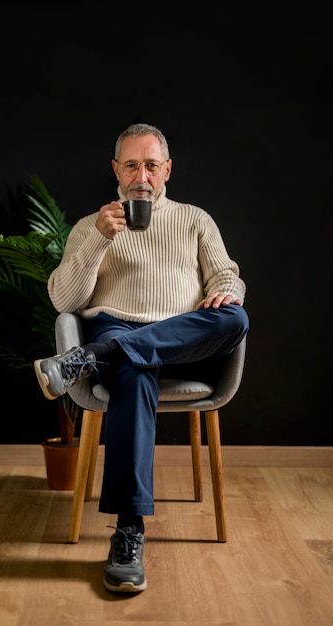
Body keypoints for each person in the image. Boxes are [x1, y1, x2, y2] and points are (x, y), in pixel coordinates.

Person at [34, 122, 249, 593]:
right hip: (118, 325)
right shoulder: (92, 225)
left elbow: (227, 276)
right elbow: (64, 302)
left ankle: (92, 356)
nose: (142, 176)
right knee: (134, 366)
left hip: (181, 337)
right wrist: (98, 239)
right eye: (131, 165)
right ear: (116, 169)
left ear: (167, 169)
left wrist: (225, 293)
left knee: (236, 319)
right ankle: (129, 530)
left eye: (151, 165)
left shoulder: (195, 219)